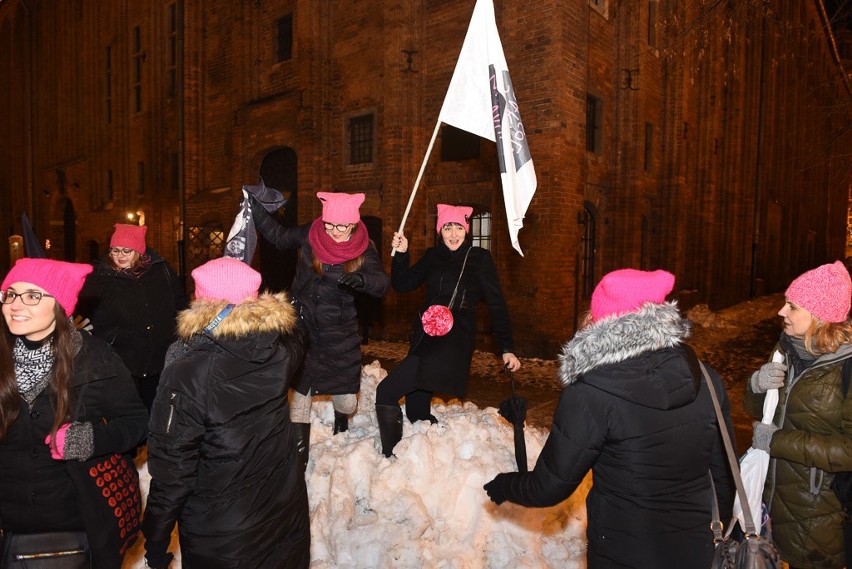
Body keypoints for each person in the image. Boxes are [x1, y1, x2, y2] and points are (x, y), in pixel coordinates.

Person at [483, 268, 736, 569]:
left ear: (603, 324)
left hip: (622, 550)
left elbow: (549, 486)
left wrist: (504, 484)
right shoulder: (707, 378)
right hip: (695, 549)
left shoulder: (591, 391)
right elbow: (724, 478)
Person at [142, 257, 310, 569]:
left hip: (222, 535)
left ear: (200, 301)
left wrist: (155, 538)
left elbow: (173, 472)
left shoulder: (187, 373)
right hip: (284, 518)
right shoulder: (280, 352)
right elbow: (300, 333)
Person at [0, 258, 148, 567]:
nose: (15, 304)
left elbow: (137, 423)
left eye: (32, 295)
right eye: (10, 294)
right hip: (8, 524)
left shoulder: (94, 358)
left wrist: (91, 438)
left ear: (60, 304)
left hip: (74, 523)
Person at [251, 191, 390, 452]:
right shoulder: (312, 234)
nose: (335, 231)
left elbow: (382, 283)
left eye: (342, 226)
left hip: (339, 331)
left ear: (354, 223)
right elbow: (280, 237)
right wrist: (256, 209)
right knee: (301, 393)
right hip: (303, 325)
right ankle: (298, 458)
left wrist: (363, 280)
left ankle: (341, 417)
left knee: (347, 402)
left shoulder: (363, 248)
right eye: (330, 225)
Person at [378, 204, 521, 457]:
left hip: (453, 340)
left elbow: (497, 305)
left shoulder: (479, 258)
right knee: (416, 412)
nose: (453, 234)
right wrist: (401, 254)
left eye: (458, 227)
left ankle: (389, 457)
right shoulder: (433, 256)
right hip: (426, 334)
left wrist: (507, 348)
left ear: (466, 230)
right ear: (439, 230)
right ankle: (430, 457)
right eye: (447, 227)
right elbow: (402, 284)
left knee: (386, 391)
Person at [744, 260, 852, 569]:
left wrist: (778, 442)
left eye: (792, 306)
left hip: (820, 515)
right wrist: (756, 385)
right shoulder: (784, 350)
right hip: (770, 503)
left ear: (820, 317)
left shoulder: (847, 367)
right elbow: (756, 412)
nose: (781, 312)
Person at [77, 223, 188, 411]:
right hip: (122, 356)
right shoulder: (101, 274)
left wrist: (178, 330)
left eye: (126, 251)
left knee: (158, 411)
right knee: (129, 412)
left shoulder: (160, 268)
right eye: (115, 250)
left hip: (160, 354)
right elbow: (82, 307)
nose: (120, 256)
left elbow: (179, 301)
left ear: (139, 251)